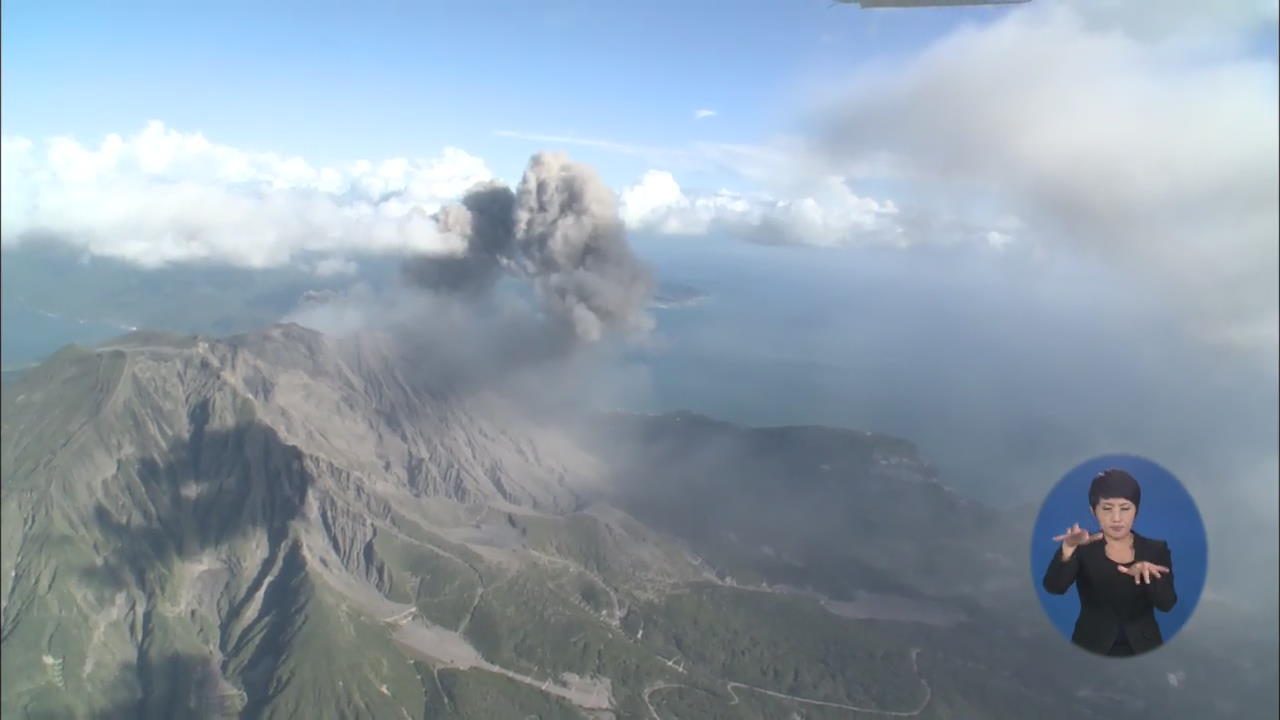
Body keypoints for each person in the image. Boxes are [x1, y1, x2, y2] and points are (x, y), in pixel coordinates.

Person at [1042, 468, 1177, 657]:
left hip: (1144, 649)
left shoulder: (1155, 550)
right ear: (1093, 511)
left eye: (1124, 508)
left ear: (1136, 511)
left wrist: (1149, 576)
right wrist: (1068, 548)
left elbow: (1167, 604)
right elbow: (1054, 587)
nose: (1116, 518)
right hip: (1090, 647)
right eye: (1107, 508)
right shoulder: (1083, 549)